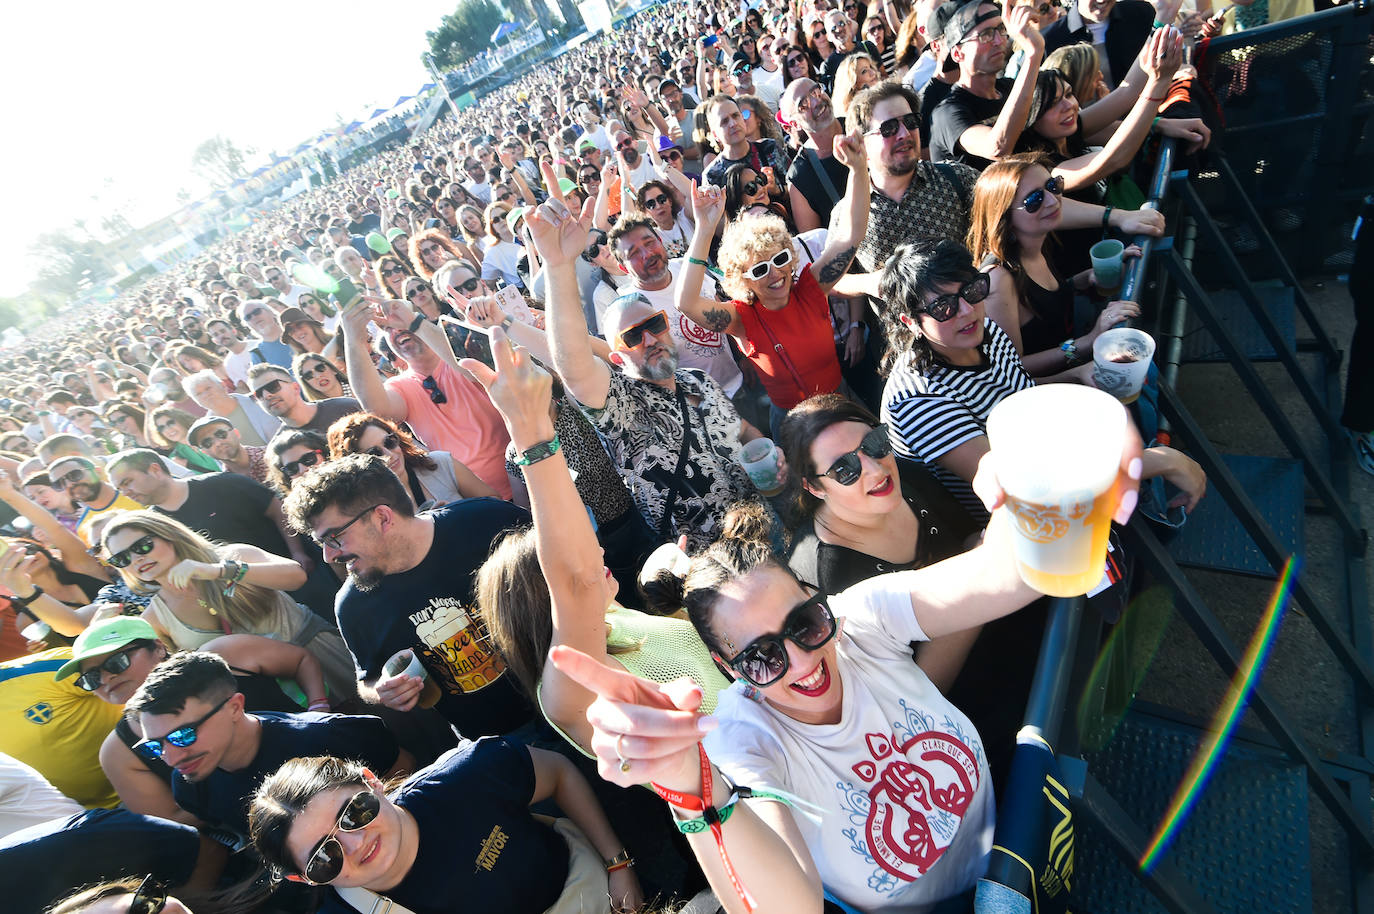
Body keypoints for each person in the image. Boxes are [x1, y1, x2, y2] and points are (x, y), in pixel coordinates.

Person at [549, 427, 1143, 914]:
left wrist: (1047, 486)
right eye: (762, 656)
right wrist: (688, 788)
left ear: (816, 598)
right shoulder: (743, 739)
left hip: (1023, 849)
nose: (804, 660)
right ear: (729, 670)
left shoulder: (858, 618)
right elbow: (793, 909)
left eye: (803, 622)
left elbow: (1003, 575)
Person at [877, 238, 1206, 518]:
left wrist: (1075, 375)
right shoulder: (918, 399)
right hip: (1030, 523)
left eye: (972, 290)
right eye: (944, 308)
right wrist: (1161, 461)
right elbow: (1020, 485)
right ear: (910, 321)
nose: (966, 310)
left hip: (1055, 455)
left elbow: (1016, 394)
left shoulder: (985, 332)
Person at [536, 177, 762, 550]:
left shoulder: (698, 382)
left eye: (654, 325)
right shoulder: (622, 409)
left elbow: (740, 428)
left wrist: (768, 450)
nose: (649, 339)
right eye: (632, 337)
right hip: (711, 562)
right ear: (616, 358)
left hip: (763, 526)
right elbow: (575, 367)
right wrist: (558, 264)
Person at [283, 454, 538, 741]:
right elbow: (367, 680)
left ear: (382, 517)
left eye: (333, 538)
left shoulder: (487, 521)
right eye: (321, 544)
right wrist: (383, 691)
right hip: (498, 742)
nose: (329, 556)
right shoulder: (354, 606)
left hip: (568, 695)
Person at [249, 742, 641, 914]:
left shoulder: (466, 776)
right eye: (325, 857)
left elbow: (556, 772)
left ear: (371, 781)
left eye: (354, 812)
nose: (354, 844)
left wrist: (619, 865)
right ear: (305, 880)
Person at [676, 138, 868, 435]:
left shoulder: (810, 287)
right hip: (793, 425)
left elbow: (851, 235)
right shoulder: (742, 318)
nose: (775, 274)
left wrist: (858, 169)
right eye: (760, 268)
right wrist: (703, 229)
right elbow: (686, 303)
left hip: (842, 402)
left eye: (780, 259)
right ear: (743, 278)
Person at [124, 650, 408, 839]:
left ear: (235, 707)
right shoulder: (189, 787)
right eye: (154, 746)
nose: (171, 757)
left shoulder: (327, 736)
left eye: (183, 735)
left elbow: (405, 775)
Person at [99, 510, 358, 702]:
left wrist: (218, 571)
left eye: (142, 546)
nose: (136, 558)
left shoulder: (232, 556)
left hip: (324, 659)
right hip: (270, 699)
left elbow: (296, 576)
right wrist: (102, 634)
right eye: (121, 558)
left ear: (169, 536)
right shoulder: (154, 618)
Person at [340, 293, 514, 498]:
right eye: (387, 327)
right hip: (478, 499)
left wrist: (413, 322)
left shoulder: (455, 357)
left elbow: (468, 365)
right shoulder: (401, 385)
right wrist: (353, 340)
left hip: (525, 473)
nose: (397, 328)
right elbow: (377, 409)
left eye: (400, 320)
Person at [928, 0, 1044, 169]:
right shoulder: (946, 113)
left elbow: (1077, 124)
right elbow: (997, 148)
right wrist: (1033, 55)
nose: (998, 41)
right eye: (986, 34)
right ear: (958, 53)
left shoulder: (1009, 88)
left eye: (1001, 29)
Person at [326, 411, 498, 509]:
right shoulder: (366, 509)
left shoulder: (439, 463)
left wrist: (456, 517)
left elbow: (496, 505)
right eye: (375, 453)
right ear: (355, 465)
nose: (390, 455)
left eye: (390, 442)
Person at [250, 364, 361, 448]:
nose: (267, 395)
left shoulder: (346, 407)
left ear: (295, 388)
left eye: (273, 386)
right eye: (259, 394)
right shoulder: (280, 447)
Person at [46, 454, 143, 546]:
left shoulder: (138, 495)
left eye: (74, 475)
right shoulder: (84, 528)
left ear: (97, 472)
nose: (69, 484)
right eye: (59, 484)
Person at [183, 369, 281, 447]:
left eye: (208, 388)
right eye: (198, 394)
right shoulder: (206, 430)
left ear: (223, 385)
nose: (206, 395)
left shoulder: (257, 400)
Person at [188, 416, 269, 485]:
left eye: (220, 434)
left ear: (236, 433)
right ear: (204, 452)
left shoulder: (273, 456)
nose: (218, 443)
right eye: (207, 442)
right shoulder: (227, 485)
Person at [147, 407, 221, 474]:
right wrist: (188, 466)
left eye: (170, 423)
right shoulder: (175, 459)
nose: (168, 429)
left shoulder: (209, 434)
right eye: (161, 428)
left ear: (181, 419)